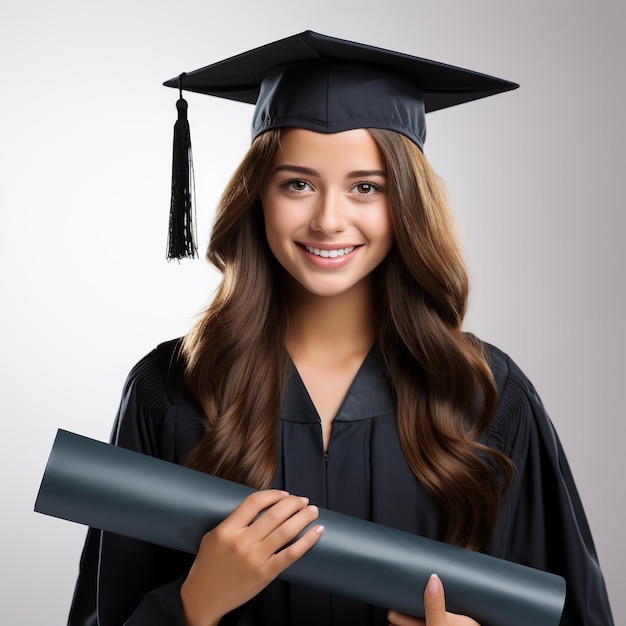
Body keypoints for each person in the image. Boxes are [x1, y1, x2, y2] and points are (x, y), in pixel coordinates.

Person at [68, 31, 614, 626]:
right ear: (258, 198)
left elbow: (571, 612)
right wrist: (191, 606)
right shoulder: (171, 390)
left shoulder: (485, 393)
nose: (329, 219)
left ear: (406, 202)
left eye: (366, 187)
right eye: (297, 183)